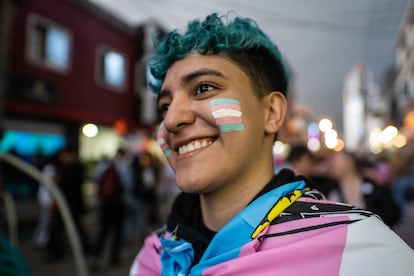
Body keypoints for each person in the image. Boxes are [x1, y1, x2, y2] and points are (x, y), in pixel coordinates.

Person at [130, 13, 414, 275]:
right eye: (165, 105)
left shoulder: (364, 253)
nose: (170, 120)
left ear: (271, 113)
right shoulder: (150, 257)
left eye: (204, 88)